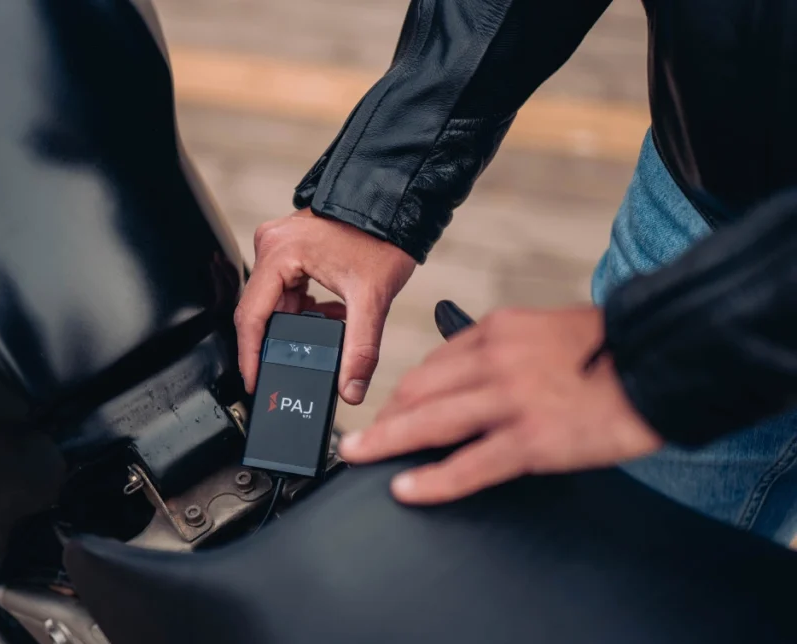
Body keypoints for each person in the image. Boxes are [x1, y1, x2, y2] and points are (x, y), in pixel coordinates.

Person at [234, 0, 797, 544]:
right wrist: (378, 188)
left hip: (742, 286)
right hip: (696, 180)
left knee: (642, 596)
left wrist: (655, 356)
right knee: (608, 551)